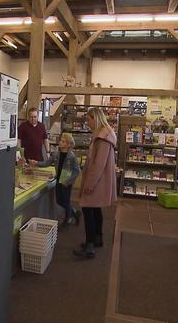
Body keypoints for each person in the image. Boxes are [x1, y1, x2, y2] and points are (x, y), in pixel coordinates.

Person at [74, 107, 117, 259]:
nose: (87, 122)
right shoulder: (105, 134)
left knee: (87, 210)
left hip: (97, 181)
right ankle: (98, 238)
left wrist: (89, 184)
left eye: (88, 119)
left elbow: (98, 164)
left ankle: (90, 245)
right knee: (95, 209)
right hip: (100, 180)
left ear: (95, 118)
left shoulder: (102, 137)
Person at [29, 133, 81, 227]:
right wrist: (36, 163)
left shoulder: (72, 156)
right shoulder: (56, 154)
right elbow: (47, 163)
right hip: (59, 179)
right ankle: (73, 211)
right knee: (59, 201)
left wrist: (68, 181)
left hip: (66, 180)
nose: (60, 142)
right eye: (61, 140)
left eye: (63, 141)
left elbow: (77, 171)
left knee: (65, 200)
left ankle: (67, 220)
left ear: (68, 144)